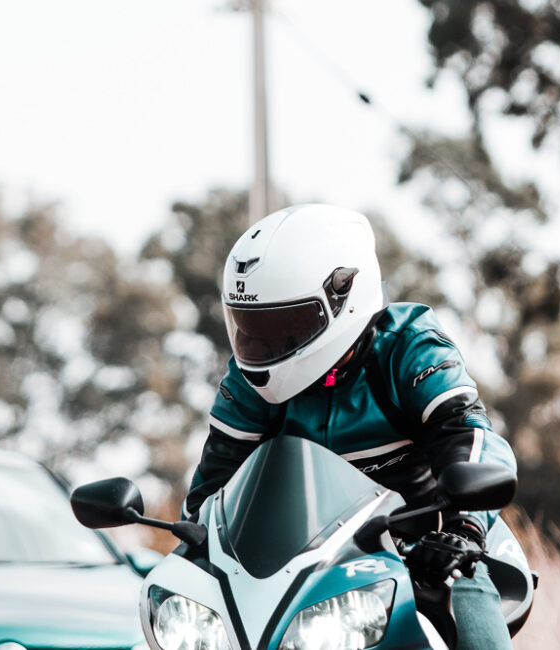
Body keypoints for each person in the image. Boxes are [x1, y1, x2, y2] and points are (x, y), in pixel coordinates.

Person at [183, 204, 516, 649]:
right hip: (298, 564)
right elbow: (216, 479)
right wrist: (193, 539)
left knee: (467, 586)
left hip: (424, 543)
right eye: (252, 326)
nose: (263, 346)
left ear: (345, 296)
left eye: (286, 326)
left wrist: (463, 530)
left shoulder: (409, 347)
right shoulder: (248, 381)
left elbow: (465, 434)